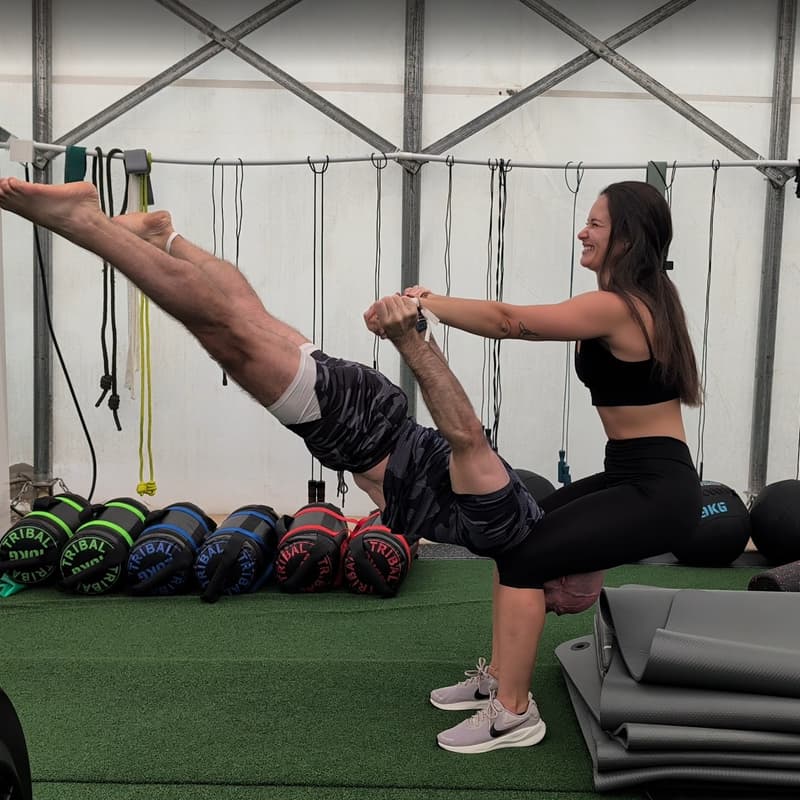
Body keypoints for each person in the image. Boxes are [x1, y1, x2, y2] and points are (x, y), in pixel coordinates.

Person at [0, 176, 550, 754]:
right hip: (351, 423)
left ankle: (167, 237)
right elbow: (466, 433)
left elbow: (512, 579)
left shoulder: (505, 540)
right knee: (225, 331)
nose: (558, 601)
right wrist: (412, 339)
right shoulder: (502, 515)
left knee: (244, 315)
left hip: (356, 416)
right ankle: (86, 221)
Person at [373, 180, 702, 752]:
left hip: (659, 487)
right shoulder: (642, 301)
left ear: (628, 237)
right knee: (515, 536)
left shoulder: (620, 306)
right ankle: (500, 678)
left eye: (596, 224)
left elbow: (509, 322)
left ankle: (514, 714)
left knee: (524, 555)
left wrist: (424, 303)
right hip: (631, 474)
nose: (584, 231)